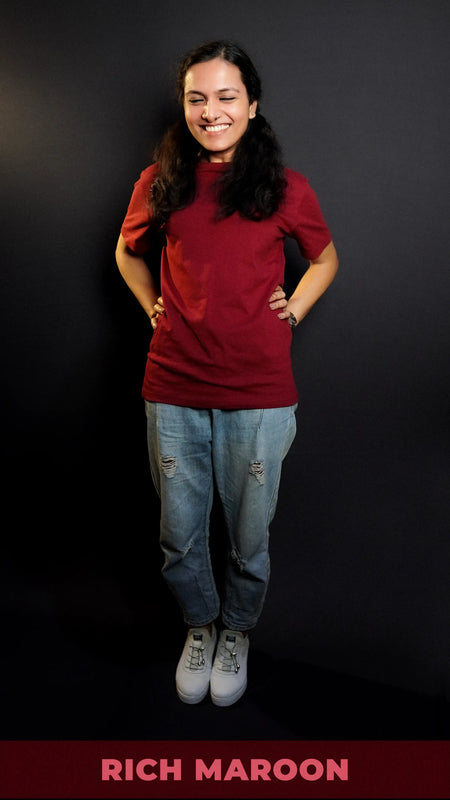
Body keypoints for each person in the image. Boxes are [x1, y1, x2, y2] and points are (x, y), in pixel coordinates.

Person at [116, 40, 338, 707]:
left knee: (248, 536)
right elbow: (128, 255)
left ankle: (236, 631)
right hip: (174, 388)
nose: (210, 112)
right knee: (178, 537)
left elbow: (324, 260)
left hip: (258, 395)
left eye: (225, 96)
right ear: (185, 106)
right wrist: (151, 303)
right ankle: (199, 626)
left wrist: (291, 310)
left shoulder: (285, 187)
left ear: (252, 103)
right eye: (196, 98)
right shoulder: (160, 181)